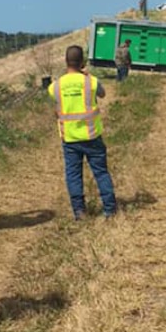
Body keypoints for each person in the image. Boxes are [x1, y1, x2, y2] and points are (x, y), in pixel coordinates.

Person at [48, 45, 117, 220]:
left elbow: (57, 104)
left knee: (73, 175)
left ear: (66, 61)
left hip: (70, 138)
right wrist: (88, 76)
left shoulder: (55, 86)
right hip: (92, 135)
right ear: (83, 62)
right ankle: (109, 210)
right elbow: (102, 94)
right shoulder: (90, 82)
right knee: (101, 172)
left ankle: (79, 212)